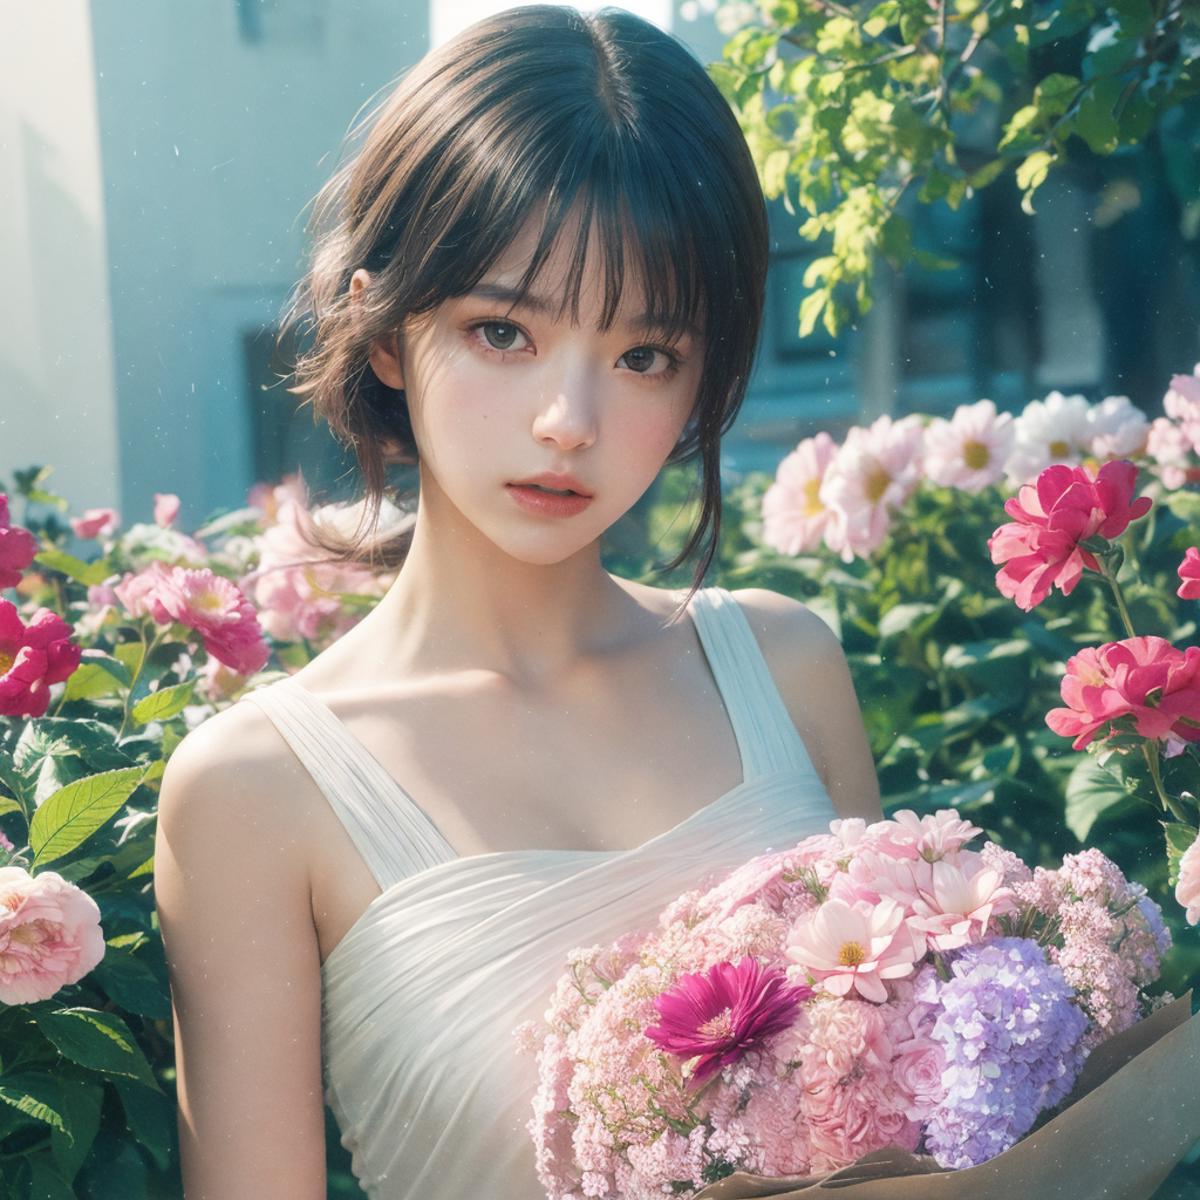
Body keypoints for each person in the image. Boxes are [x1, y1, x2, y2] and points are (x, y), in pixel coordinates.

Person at [152, 6, 883, 1197]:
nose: (569, 422)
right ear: (386, 332)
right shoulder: (257, 791)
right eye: (504, 331)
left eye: (646, 355)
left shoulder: (787, 668)